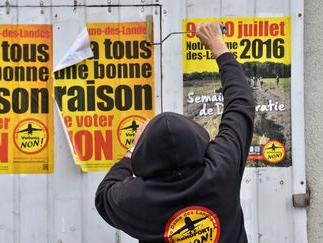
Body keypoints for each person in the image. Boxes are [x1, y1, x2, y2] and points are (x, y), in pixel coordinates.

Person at [95, 22, 255, 243]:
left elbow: (104, 195)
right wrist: (218, 47)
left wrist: (131, 151)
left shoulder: (135, 199)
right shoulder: (222, 169)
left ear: (145, 155)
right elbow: (241, 105)